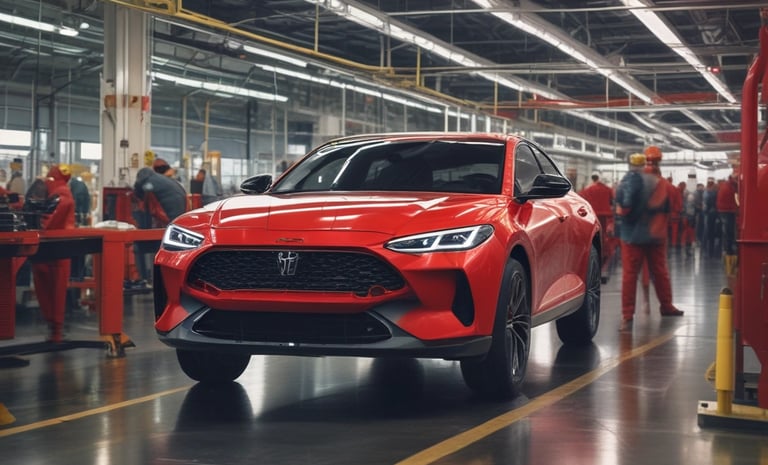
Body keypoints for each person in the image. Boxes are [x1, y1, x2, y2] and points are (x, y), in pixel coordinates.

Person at [615, 152, 684, 332]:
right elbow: (673, 207)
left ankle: (627, 315)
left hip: (632, 236)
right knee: (660, 271)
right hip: (656, 234)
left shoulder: (628, 181)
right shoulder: (663, 184)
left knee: (630, 275)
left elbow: (624, 207)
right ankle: (666, 306)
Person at [30, 164, 75, 342]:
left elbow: (50, 217)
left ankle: (55, 328)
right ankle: (54, 327)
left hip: (53, 246)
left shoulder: (60, 192)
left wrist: (35, 228)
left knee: (49, 289)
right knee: (53, 289)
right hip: (56, 247)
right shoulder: (61, 190)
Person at [132, 167, 187, 284]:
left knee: (143, 244)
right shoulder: (162, 179)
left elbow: (142, 194)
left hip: (170, 216)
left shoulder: (149, 183)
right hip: (182, 215)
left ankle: (146, 278)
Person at [579, 172, 615, 275]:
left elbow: (580, 197)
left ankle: (596, 254)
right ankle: (604, 253)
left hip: (593, 214)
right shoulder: (607, 189)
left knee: (593, 234)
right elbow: (613, 199)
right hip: (604, 214)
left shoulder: (588, 189)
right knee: (603, 234)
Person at [716, 174, 738, 257]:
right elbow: (735, 200)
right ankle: (729, 250)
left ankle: (727, 249)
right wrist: (737, 208)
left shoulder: (726, 186)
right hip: (728, 211)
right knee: (729, 232)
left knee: (726, 231)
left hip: (724, 211)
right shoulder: (731, 188)